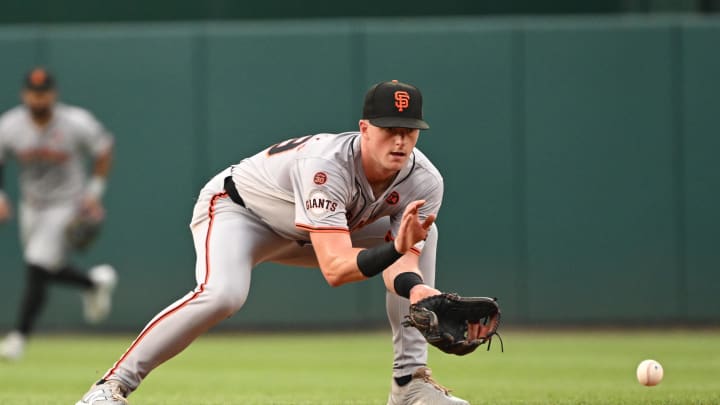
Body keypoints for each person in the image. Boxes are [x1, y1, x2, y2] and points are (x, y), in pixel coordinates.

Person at [77, 80, 477, 405]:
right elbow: (336, 269)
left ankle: (409, 385)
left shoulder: (424, 180)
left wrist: (419, 289)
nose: (401, 141)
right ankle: (110, 388)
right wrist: (394, 251)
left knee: (427, 237)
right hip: (242, 213)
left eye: (410, 132)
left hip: (319, 230)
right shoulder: (326, 166)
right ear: (365, 129)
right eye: (390, 129)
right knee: (223, 295)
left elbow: (398, 269)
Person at [0, 67, 118, 361]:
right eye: (33, 93)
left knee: (37, 264)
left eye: (44, 92)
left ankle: (18, 338)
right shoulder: (11, 125)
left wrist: (94, 193)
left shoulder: (75, 121)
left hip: (67, 203)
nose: (38, 98)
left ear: (53, 94)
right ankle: (94, 283)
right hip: (33, 205)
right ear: (24, 94)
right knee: (45, 267)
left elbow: (104, 148)